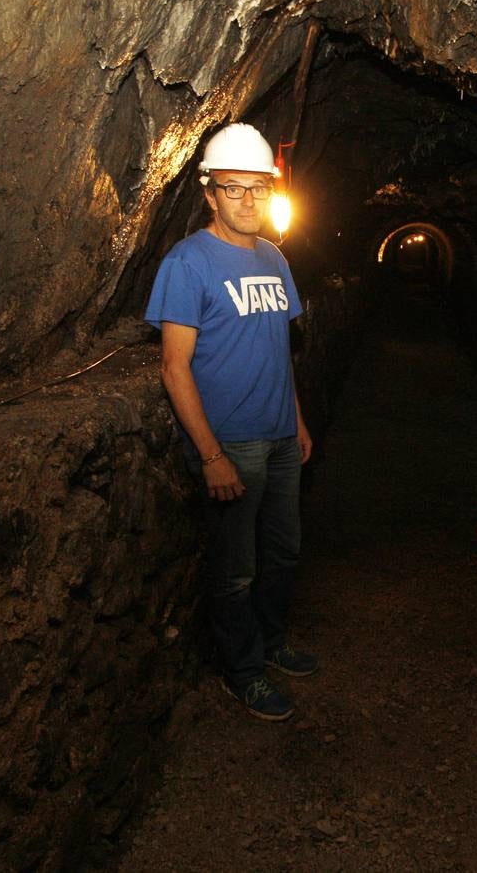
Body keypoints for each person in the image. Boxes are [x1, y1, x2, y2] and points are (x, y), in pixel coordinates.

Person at [144, 122, 317, 722]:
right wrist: (211, 455)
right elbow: (174, 367)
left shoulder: (274, 259)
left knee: (283, 552)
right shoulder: (188, 262)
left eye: (258, 188)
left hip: (278, 439)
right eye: (233, 189)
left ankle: (270, 642)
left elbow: (280, 351)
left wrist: (295, 421)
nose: (248, 200)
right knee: (235, 569)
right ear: (210, 195)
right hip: (232, 443)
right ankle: (241, 671)